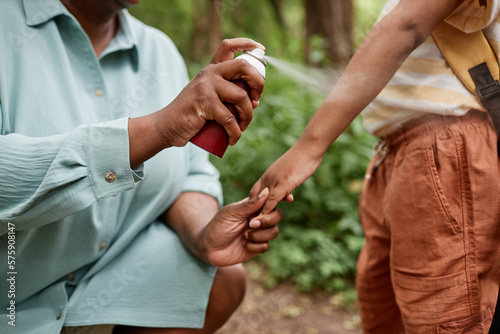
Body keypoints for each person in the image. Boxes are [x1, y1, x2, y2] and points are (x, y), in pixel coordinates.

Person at [0, 0, 283, 333]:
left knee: (219, 281)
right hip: (14, 306)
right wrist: (159, 129)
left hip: (102, 289)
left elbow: (189, 174)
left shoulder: (159, 52)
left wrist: (204, 233)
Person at [250, 0, 500, 332]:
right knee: (384, 314)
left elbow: (406, 25)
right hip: (398, 156)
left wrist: (307, 148)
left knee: (446, 318)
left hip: (443, 151)